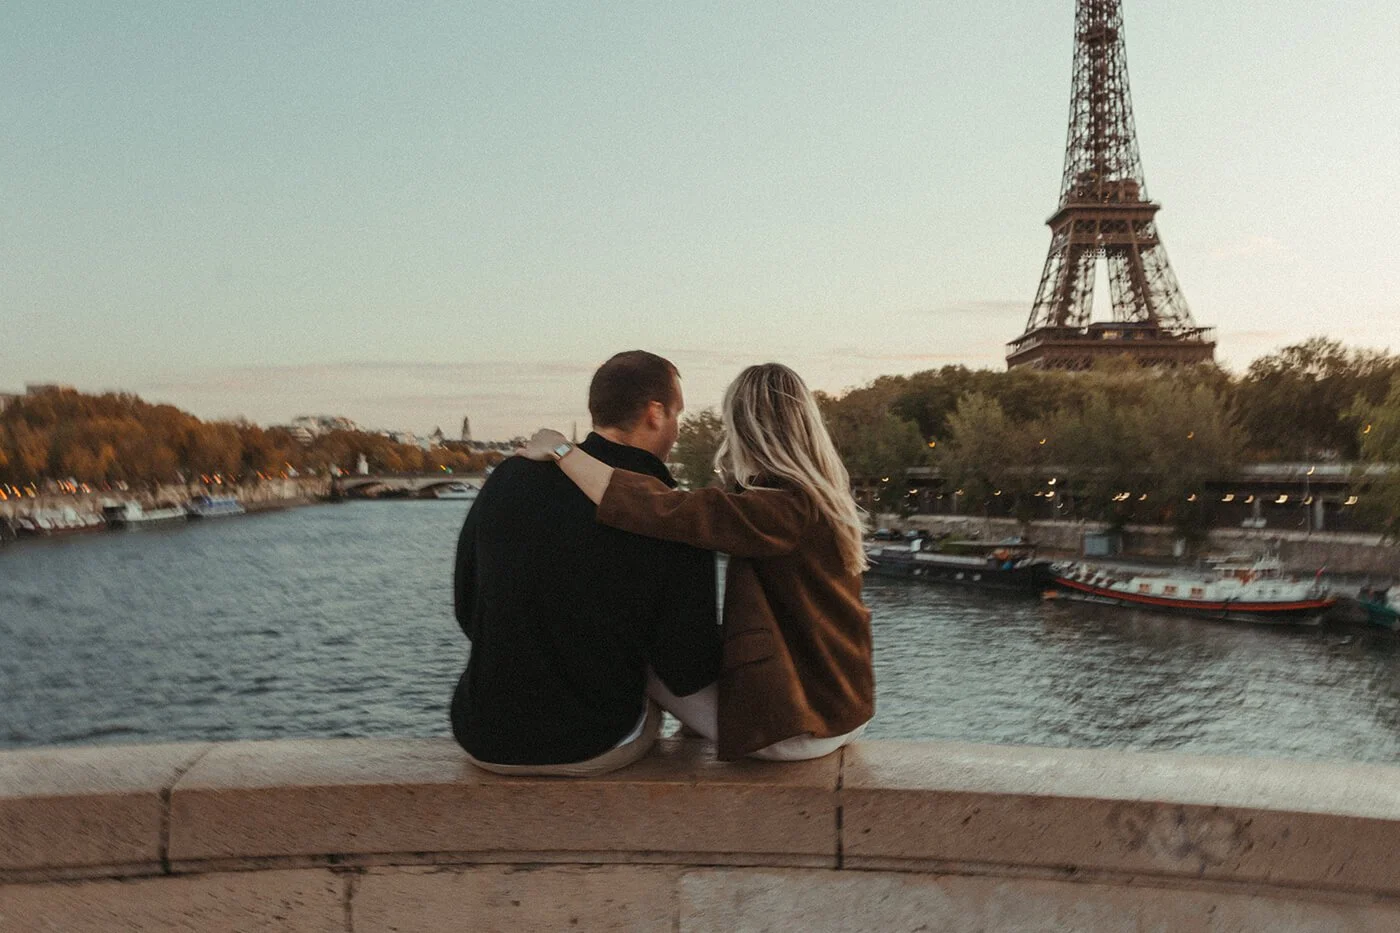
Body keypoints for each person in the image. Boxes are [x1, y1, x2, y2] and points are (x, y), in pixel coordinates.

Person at [517, 362, 873, 761]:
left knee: (640, 650)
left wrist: (564, 451)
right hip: (845, 708)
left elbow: (659, 508)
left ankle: (615, 742)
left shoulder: (779, 509)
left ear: (745, 428)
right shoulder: (822, 500)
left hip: (796, 728)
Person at [451, 351, 721, 776]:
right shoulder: (669, 508)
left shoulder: (507, 477)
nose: (677, 429)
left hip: (482, 733)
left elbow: (467, 609)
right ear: (654, 413)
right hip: (592, 739)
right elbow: (686, 666)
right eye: (677, 414)